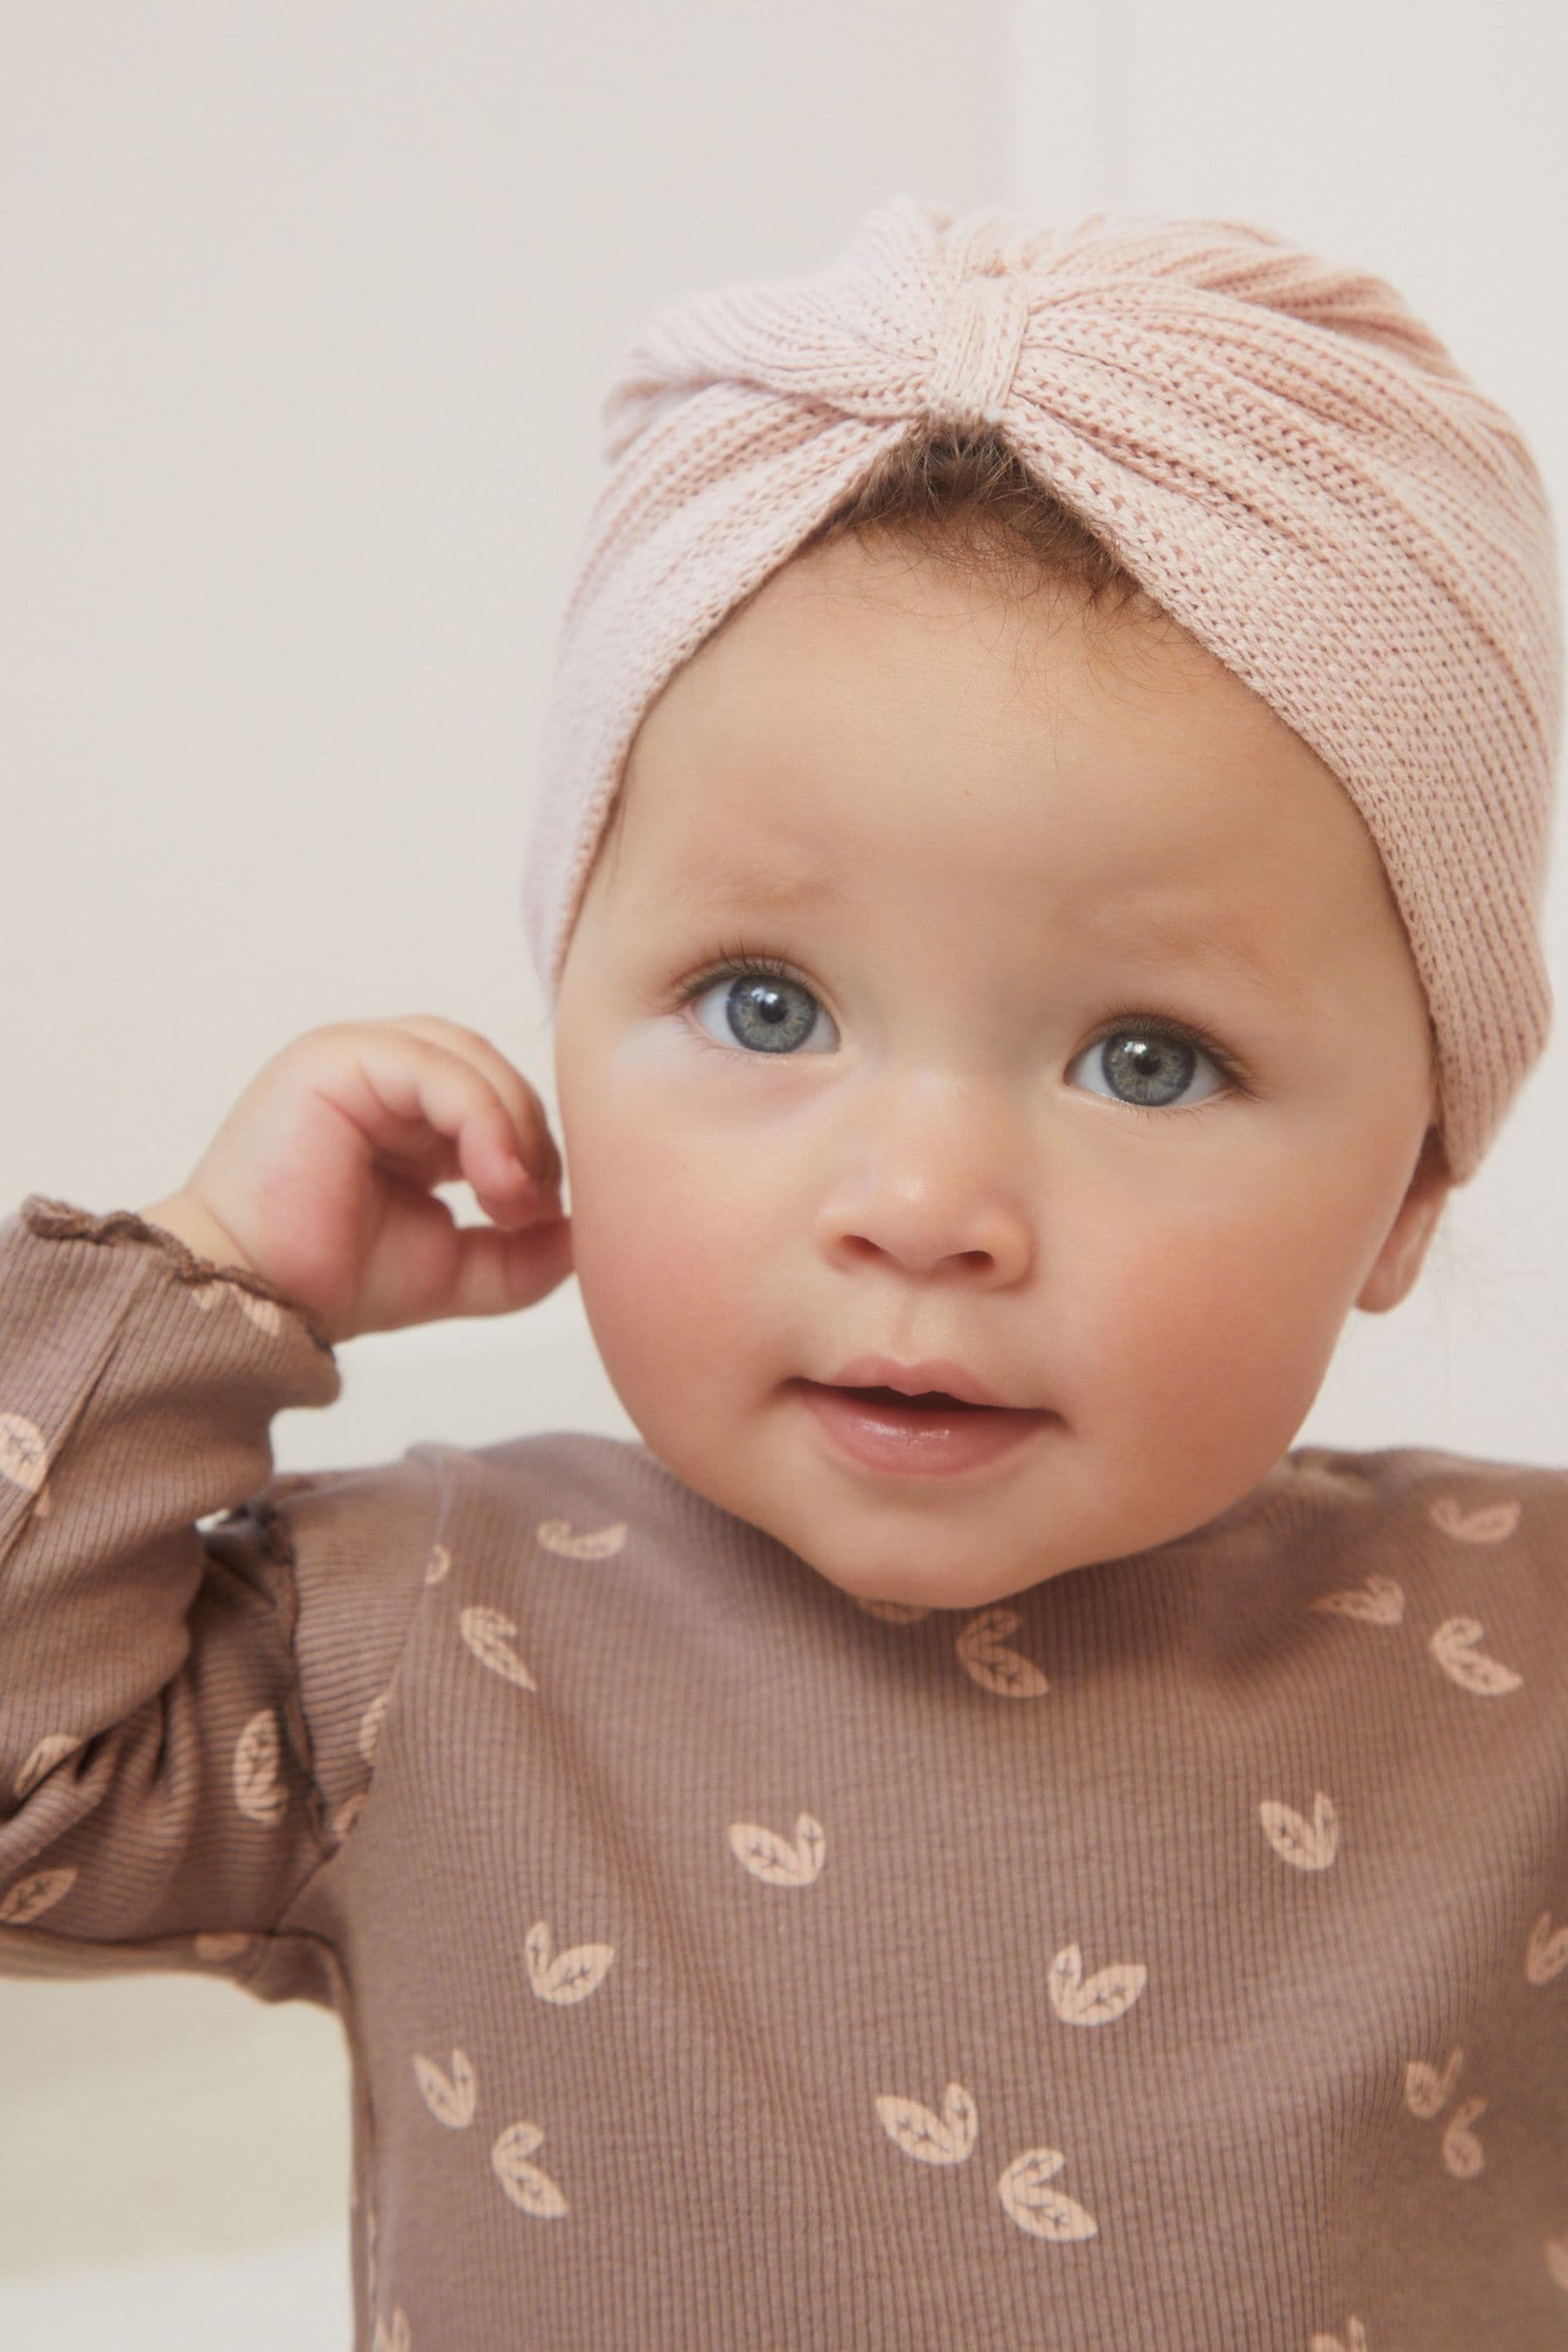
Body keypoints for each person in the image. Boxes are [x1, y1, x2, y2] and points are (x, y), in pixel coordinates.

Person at [2, 194, 1562, 2350]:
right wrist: (197, 1283)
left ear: (1412, 1185)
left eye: (1146, 1056)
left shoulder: (1522, 1658)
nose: (922, 1201)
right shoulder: (438, 1639)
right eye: (763, 1007)